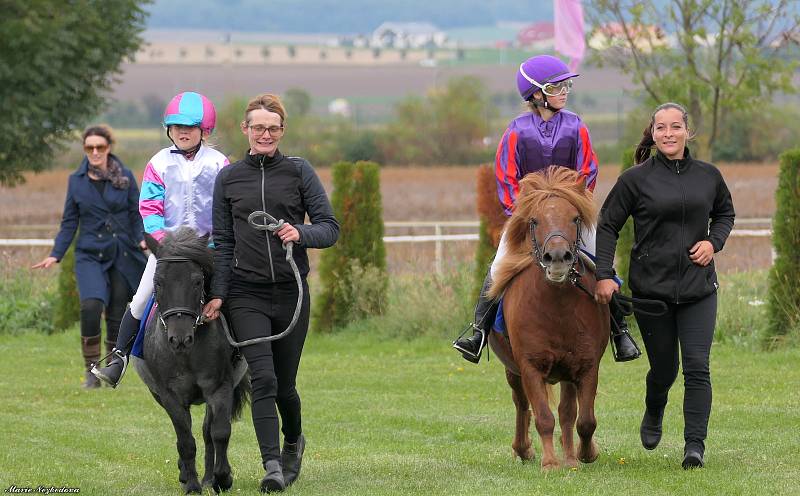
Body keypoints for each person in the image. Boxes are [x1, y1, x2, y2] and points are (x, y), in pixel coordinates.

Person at [453, 54, 640, 364]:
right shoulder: (516, 130)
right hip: (528, 217)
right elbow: (505, 175)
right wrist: (523, 211)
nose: (565, 91)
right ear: (536, 94)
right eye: (557, 86)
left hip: (571, 215)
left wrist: (572, 205)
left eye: (566, 85)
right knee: (499, 265)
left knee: (603, 267)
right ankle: (478, 332)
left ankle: (620, 332)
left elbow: (588, 171)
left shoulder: (576, 126)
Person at [202, 93, 339, 493]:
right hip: (247, 294)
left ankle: (294, 440)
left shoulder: (298, 172)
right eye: (258, 127)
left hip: (291, 293)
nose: (265, 134)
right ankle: (272, 466)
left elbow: (330, 227)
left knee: (284, 384)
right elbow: (224, 242)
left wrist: (301, 232)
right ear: (245, 130)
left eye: (273, 128)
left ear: (282, 131)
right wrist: (219, 294)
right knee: (261, 378)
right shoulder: (229, 179)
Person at [594, 102, 735, 469]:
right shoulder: (634, 180)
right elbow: (608, 224)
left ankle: (694, 447)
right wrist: (604, 274)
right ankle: (654, 409)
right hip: (651, 293)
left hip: (698, 289)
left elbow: (725, 213)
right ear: (652, 133)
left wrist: (712, 242)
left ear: (688, 131)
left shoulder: (708, 175)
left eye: (675, 127)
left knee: (696, 366)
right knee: (664, 371)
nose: (668, 134)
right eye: (661, 128)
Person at [92, 91, 229, 387]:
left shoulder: (219, 163)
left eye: (189, 127)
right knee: (140, 300)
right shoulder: (159, 163)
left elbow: (225, 207)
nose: (182, 132)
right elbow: (150, 208)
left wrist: (217, 242)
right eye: (177, 127)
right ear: (169, 130)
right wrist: (162, 242)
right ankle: (119, 358)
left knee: (230, 298)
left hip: (209, 249)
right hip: (168, 250)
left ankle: (251, 360)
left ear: (204, 130)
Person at [33, 125, 147, 389]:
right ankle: (90, 370)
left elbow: (136, 214)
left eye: (100, 147)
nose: (95, 152)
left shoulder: (126, 177)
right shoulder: (76, 181)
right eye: (89, 148)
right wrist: (55, 254)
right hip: (89, 255)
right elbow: (69, 222)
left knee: (119, 311)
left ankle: (111, 369)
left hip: (122, 252)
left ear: (109, 148)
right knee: (91, 306)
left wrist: (143, 238)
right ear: (85, 149)